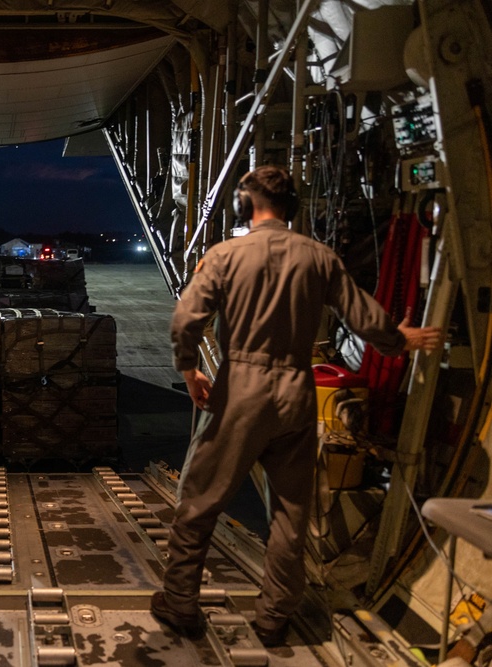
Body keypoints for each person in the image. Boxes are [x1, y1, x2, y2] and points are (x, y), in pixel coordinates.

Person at [151, 166, 443, 645]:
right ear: (292, 206)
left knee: (200, 500)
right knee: (290, 511)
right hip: (297, 389)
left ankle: (180, 603)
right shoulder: (320, 257)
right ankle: (273, 618)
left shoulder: (225, 256)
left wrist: (190, 370)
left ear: (245, 206)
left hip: (240, 387)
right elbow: (367, 318)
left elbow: (186, 321)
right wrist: (399, 340)